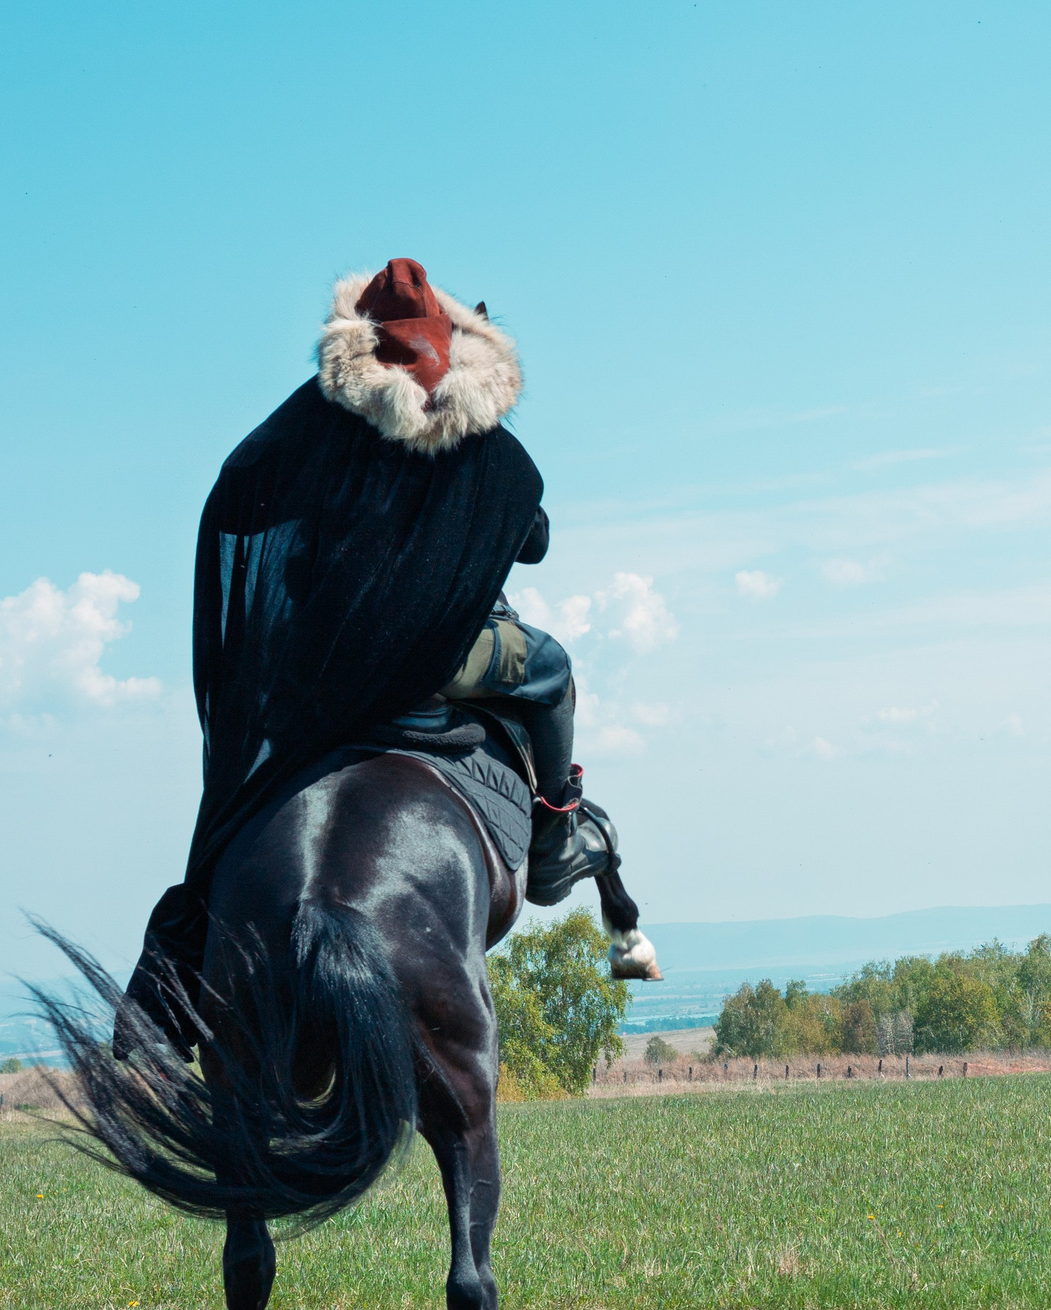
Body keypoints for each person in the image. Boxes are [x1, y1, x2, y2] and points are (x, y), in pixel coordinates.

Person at [129, 257, 657, 1049]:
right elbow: (532, 537)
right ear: (445, 340)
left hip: (323, 663)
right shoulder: (463, 423)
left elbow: (250, 490)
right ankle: (556, 835)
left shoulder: (312, 429)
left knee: (245, 788)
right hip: (438, 656)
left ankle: (191, 934)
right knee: (550, 672)